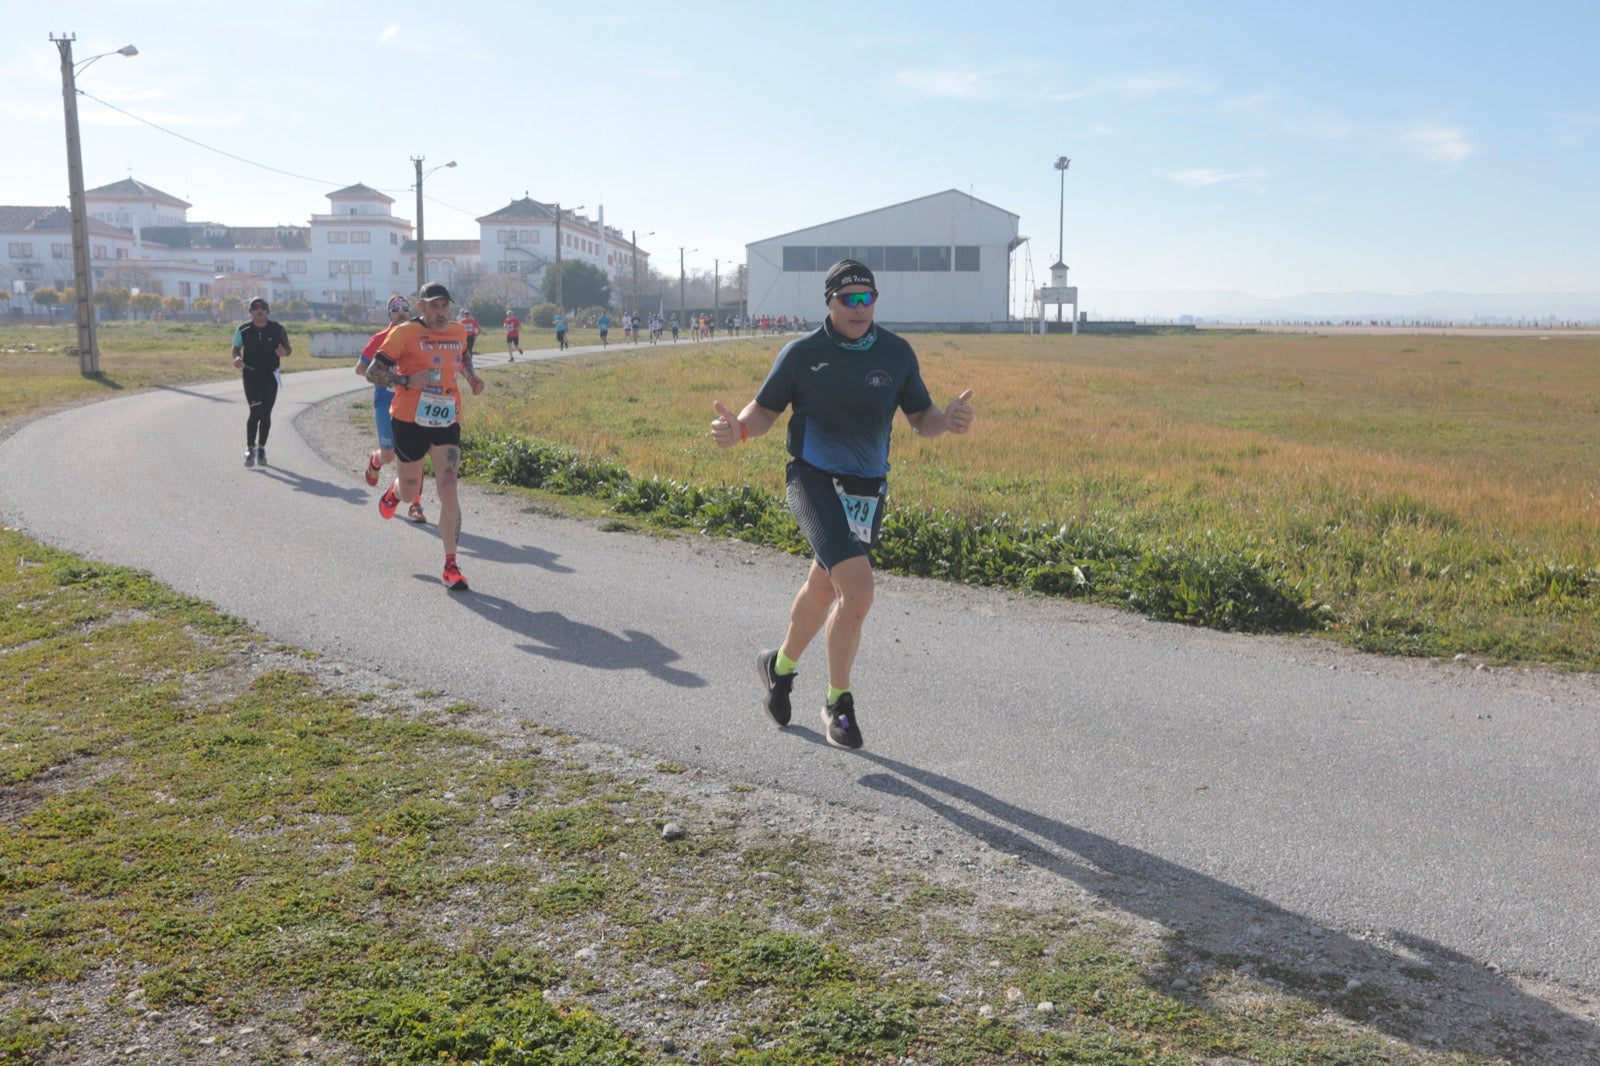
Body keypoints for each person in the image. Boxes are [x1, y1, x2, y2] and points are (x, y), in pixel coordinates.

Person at [709, 260, 975, 749]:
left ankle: (780, 666)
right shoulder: (803, 353)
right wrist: (739, 429)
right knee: (857, 588)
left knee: (825, 588)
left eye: (868, 298)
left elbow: (922, 418)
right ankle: (838, 703)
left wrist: (948, 419)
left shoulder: (896, 353)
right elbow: (764, 410)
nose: (860, 308)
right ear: (829, 302)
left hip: (866, 490)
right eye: (849, 299)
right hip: (812, 480)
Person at [367, 282, 486, 590]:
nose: (440, 312)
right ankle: (396, 491)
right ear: (421, 308)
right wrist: (404, 378)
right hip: (409, 420)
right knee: (410, 492)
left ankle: (451, 565)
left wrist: (471, 377)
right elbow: (373, 372)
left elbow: (462, 356)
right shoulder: (404, 333)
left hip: (447, 418)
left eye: (444, 306)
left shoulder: (458, 331)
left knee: (448, 484)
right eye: (433, 306)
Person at [355, 294, 426, 523]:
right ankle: (375, 461)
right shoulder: (380, 338)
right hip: (385, 402)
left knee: (417, 454)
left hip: (414, 401)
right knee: (389, 455)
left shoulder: (417, 335)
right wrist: (393, 378)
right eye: (395, 310)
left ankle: (415, 505)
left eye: (404, 309)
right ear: (389, 315)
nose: (400, 313)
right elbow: (361, 369)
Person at [230, 297, 292, 467]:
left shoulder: (277, 329)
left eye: (263, 308)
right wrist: (237, 358)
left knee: (266, 414)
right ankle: (250, 448)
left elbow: (288, 348)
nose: (259, 311)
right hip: (251, 375)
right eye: (255, 308)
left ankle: (261, 447)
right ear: (251, 311)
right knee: (255, 411)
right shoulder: (243, 329)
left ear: (267, 311)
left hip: (270, 376)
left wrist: (283, 352)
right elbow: (236, 348)